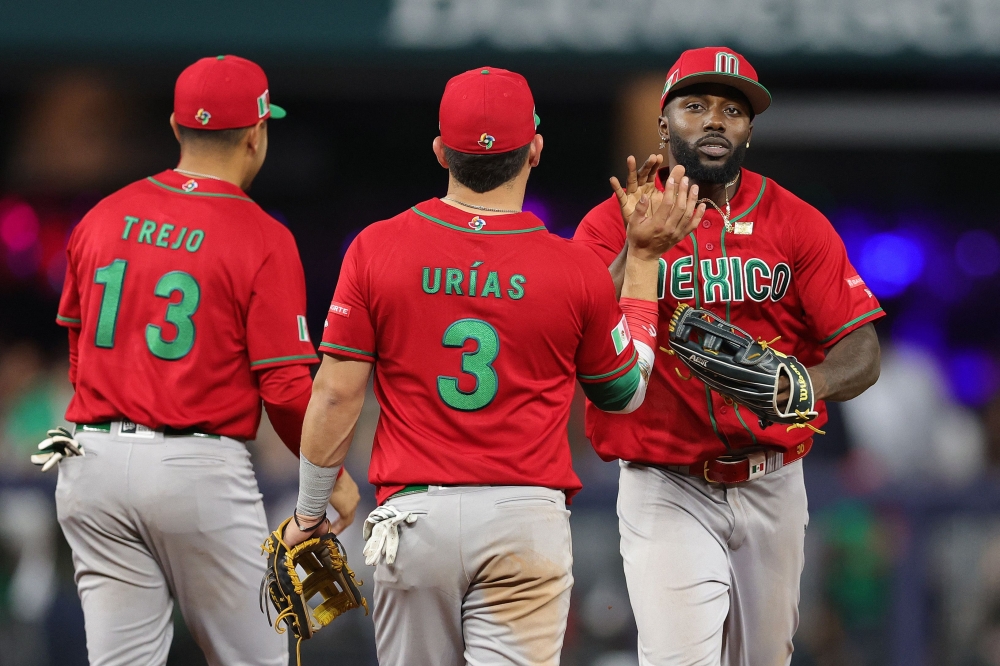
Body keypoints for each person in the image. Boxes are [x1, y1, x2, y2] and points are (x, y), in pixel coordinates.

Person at [279, 67, 705, 666]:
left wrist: (309, 510)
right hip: (523, 518)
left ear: (439, 152)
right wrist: (640, 263)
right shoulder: (575, 267)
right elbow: (626, 392)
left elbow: (334, 396)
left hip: (414, 516)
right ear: (534, 149)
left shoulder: (377, 247)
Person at [573, 46, 884, 665]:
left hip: (772, 481)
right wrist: (636, 253)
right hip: (665, 483)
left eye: (733, 110)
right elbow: (568, 325)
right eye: (696, 106)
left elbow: (863, 349)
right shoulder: (613, 222)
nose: (716, 120)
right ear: (663, 124)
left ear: (749, 129)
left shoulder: (797, 223)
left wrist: (807, 383)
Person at [48, 55, 358, 666]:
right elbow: (287, 389)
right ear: (256, 133)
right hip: (195, 466)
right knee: (261, 659)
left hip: (91, 460)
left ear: (174, 125)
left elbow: (79, 357)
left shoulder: (102, 216)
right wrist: (329, 479)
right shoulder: (261, 234)